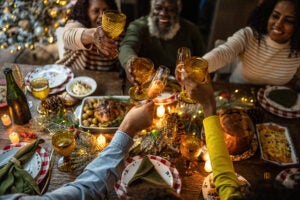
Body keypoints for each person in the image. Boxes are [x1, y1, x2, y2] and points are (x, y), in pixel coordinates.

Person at [204, 0, 300, 86]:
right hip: (237, 89)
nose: (278, 24)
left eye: (289, 21)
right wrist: (196, 69)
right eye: (275, 16)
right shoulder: (249, 35)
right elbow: (223, 52)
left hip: (272, 100)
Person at [118, 0, 206, 84]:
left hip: (181, 86)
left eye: (170, 9)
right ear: (152, 9)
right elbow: (127, 46)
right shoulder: (138, 26)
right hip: (145, 84)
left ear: (177, 11)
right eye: (158, 8)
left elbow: (202, 60)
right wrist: (130, 62)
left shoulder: (191, 30)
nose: (163, 13)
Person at [55, 0, 122, 71]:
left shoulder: (116, 31)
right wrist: (93, 35)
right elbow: (68, 36)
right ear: (86, 12)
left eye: (106, 10)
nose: (102, 16)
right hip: (72, 75)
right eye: (96, 11)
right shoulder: (77, 24)